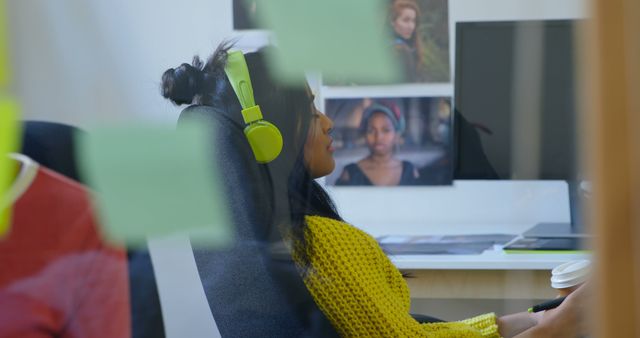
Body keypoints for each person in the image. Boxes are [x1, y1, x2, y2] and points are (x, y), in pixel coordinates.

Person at [162, 43, 588, 338]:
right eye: (309, 109)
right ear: (267, 136)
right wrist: (557, 327)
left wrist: (517, 322)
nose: (327, 121)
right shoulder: (323, 244)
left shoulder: (284, 240)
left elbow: (402, 332)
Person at [335, 101, 420, 186]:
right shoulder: (350, 174)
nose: (378, 137)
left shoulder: (410, 171)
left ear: (396, 135)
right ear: (365, 135)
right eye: (371, 131)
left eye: (386, 130)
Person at [390, 0, 428, 82]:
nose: (411, 26)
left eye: (413, 21)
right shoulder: (400, 49)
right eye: (406, 20)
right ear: (393, 22)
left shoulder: (412, 47)